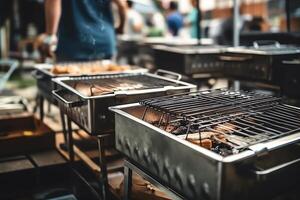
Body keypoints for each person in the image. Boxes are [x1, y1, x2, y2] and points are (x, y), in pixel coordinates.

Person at [40, 0, 126, 61]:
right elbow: (122, 5)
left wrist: (50, 35)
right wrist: (120, 28)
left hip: (74, 43)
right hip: (104, 42)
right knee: (105, 84)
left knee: (72, 85)